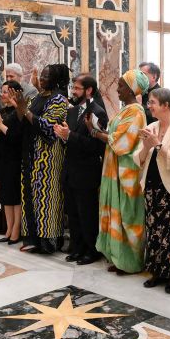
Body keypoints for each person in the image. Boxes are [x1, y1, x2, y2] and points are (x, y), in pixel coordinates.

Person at [135, 88, 170, 292]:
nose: (149, 106)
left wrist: (157, 144)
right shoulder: (152, 126)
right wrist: (146, 147)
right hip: (150, 184)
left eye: (152, 102)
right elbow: (139, 160)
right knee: (153, 230)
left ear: (166, 105)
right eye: (149, 102)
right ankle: (156, 270)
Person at [96, 70, 149, 274]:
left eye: (121, 85)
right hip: (114, 168)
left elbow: (122, 143)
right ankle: (117, 257)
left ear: (132, 89)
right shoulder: (125, 109)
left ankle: (130, 261)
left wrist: (96, 133)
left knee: (127, 214)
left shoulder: (136, 111)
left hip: (127, 170)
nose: (117, 89)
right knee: (114, 211)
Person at [15, 65, 69, 253]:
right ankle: (32, 238)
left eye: (46, 76)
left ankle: (49, 241)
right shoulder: (38, 97)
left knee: (47, 198)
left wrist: (25, 110)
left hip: (48, 156)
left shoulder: (59, 100)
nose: (42, 79)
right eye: (42, 76)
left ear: (55, 79)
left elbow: (47, 127)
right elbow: (23, 120)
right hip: (30, 153)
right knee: (30, 197)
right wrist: (19, 108)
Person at [54, 74, 108, 265]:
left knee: (87, 214)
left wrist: (70, 136)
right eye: (73, 87)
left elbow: (97, 147)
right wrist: (62, 135)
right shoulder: (73, 110)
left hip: (86, 171)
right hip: (70, 169)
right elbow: (70, 138)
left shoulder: (98, 112)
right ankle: (77, 248)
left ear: (88, 90)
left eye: (77, 88)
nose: (73, 91)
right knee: (74, 213)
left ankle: (91, 250)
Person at [0, 80, 24, 244]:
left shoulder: (19, 111)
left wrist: (0, 125)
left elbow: (16, 137)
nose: (2, 94)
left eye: (5, 92)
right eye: (2, 91)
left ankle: (16, 229)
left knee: (14, 196)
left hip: (14, 158)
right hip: (1, 158)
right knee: (5, 196)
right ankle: (9, 227)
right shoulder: (1, 111)